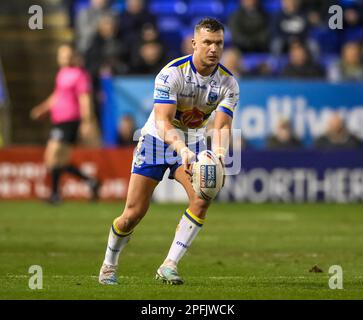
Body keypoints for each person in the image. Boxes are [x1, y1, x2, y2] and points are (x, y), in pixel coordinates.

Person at [98, 18, 240, 285]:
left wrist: (218, 156)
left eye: (218, 43)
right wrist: (182, 150)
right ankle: (109, 263)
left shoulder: (228, 84)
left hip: (194, 142)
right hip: (156, 140)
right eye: (207, 42)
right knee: (133, 214)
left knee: (202, 199)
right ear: (194, 43)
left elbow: (221, 127)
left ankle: (169, 264)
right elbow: (163, 122)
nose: (213, 48)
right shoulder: (171, 73)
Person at [30, 44, 101, 204]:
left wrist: (86, 122)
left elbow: (85, 99)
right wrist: (43, 109)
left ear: (73, 56)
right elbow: (57, 95)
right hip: (58, 120)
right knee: (56, 160)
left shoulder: (80, 75)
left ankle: (55, 194)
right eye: (62, 55)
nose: (64, 58)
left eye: (67, 55)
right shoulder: (62, 73)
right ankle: (91, 182)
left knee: (54, 155)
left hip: (71, 120)